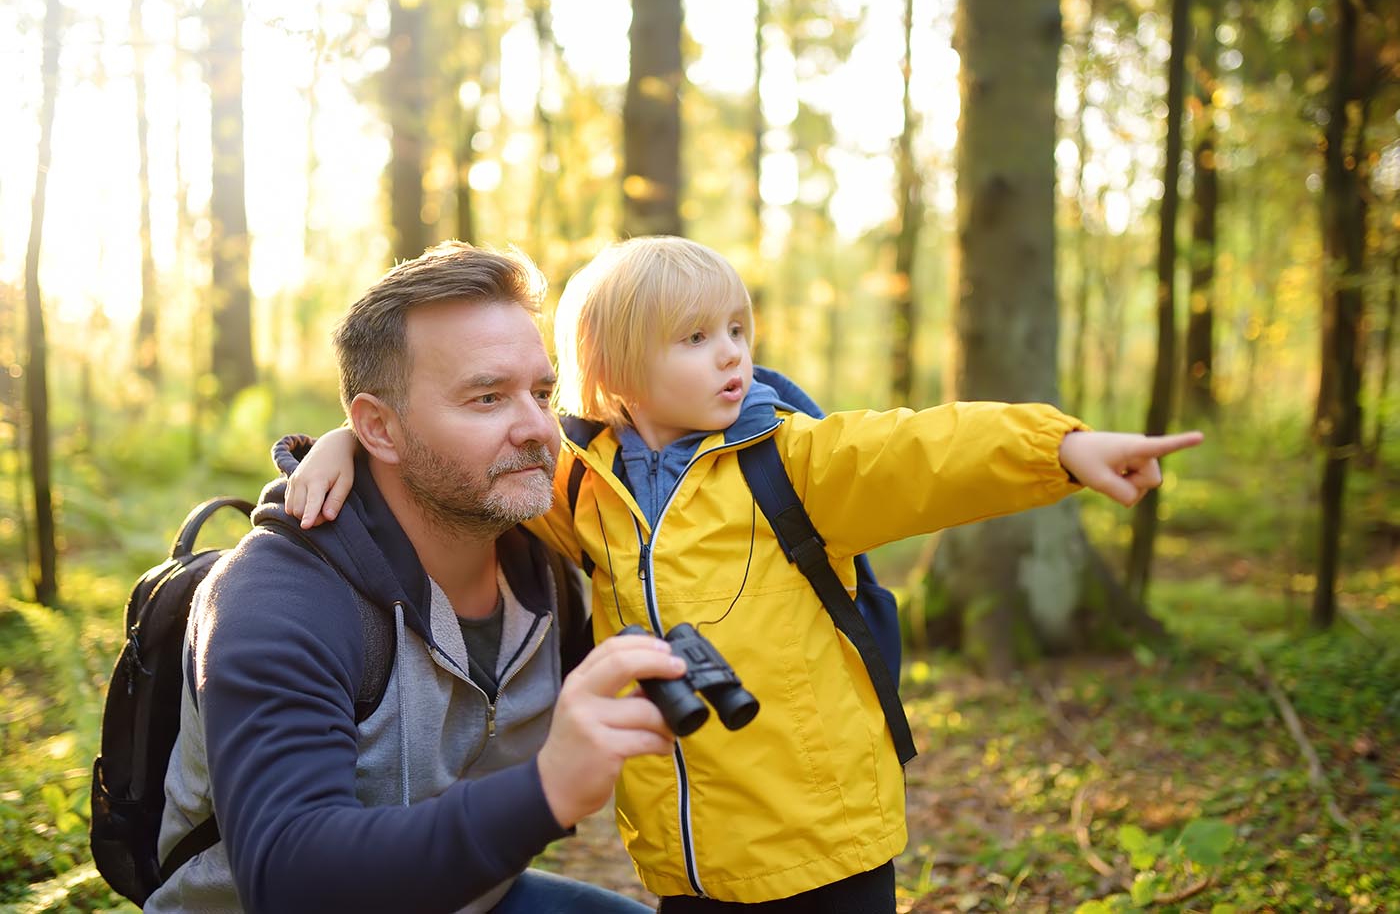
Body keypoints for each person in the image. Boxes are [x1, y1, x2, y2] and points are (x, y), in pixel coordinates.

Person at [289, 236, 1203, 911]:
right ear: (612, 369)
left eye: (737, 328)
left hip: (824, 845)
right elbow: (462, 455)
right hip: (687, 858)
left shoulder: (793, 462)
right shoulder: (577, 482)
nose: (732, 352)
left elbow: (926, 451)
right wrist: (346, 444)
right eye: (695, 337)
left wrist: (1062, 448)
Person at [148, 242, 690, 914]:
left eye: (542, 393)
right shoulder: (279, 600)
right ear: (378, 428)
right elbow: (289, 875)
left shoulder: (545, 555)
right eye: (487, 397)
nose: (538, 429)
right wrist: (544, 790)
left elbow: (699, 410)